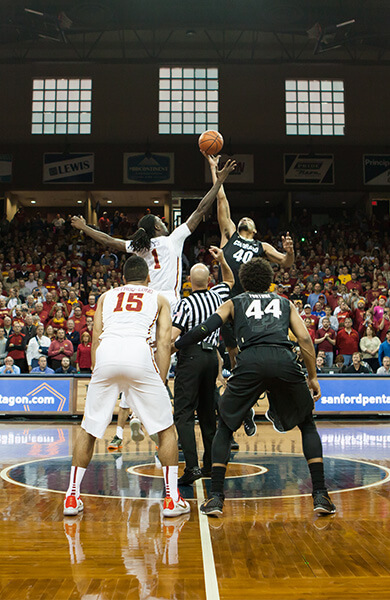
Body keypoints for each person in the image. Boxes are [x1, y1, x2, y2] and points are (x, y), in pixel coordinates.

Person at [173, 257, 336, 517]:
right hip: (282, 358)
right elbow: (305, 338)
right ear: (269, 280)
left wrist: (178, 344)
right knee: (306, 423)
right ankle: (320, 495)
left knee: (225, 426)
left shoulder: (234, 302)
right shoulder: (284, 302)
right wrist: (313, 377)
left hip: (250, 362)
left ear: (244, 281)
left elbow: (204, 329)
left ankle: (216, 497)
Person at [64, 255, 190, 518]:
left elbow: (96, 337)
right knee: (166, 429)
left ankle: (71, 497)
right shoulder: (158, 298)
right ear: (148, 278)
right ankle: (171, 500)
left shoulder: (105, 297)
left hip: (107, 354)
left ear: (122, 279)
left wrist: (100, 374)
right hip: (139, 354)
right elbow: (164, 342)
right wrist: (161, 380)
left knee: (89, 427)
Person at [71, 159, 236, 312]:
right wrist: (219, 181)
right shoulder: (173, 239)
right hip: (170, 300)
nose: (165, 224)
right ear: (157, 226)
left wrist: (84, 227)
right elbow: (200, 210)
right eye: (162, 222)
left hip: (148, 300)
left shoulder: (139, 246)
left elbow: (108, 240)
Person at [204, 153, 294, 366]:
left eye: (249, 220)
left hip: (248, 299)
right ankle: (236, 375)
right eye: (243, 218)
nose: (244, 218)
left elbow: (285, 263)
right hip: (226, 295)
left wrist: (290, 252)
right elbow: (221, 198)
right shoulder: (230, 233)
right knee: (231, 347)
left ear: (255, 230)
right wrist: (214, 170)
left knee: (247, 343)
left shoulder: (261, 246)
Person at [171, 246, 234, 485]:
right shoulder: (217, 295)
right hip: (212, 358)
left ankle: (192, 467)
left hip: (191, 358)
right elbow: (229, 279)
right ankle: (209, 465)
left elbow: (174, 336)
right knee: (208, 414)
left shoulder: (185, 304)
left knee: (184, 414)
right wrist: (222, 260)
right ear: (209, 280)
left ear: (189, 281)